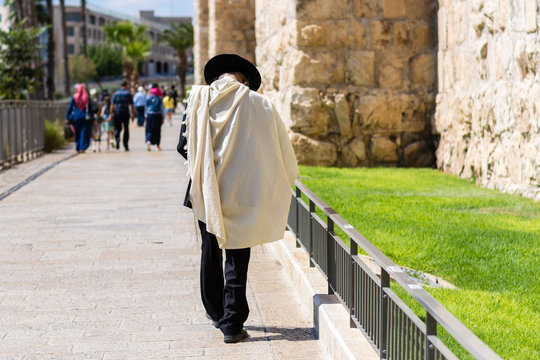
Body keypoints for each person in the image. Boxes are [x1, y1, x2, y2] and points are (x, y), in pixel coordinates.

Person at [177, 54, 298, 344]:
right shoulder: (260, 105)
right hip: (241, 189)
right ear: (243, 79)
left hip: (206, 190)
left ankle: (216, 313)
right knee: (237, 253)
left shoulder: (197, 99)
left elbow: (183, 146)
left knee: (209, 249)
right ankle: (232, 324)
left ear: (220, 76)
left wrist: (208, 165)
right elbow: (278, 151)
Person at [65, 84, 94, 153]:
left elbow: (70, 107)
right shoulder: (87, 97)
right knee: (84, 132)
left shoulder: (74, 97)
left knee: (77, 132)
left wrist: (67, 117)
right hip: (84, 117)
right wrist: (92, 117)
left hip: (76, 117)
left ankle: (78, 146)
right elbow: (90, 108)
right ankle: (83, 147)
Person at [111, 80, 136, 151]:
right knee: (126, 129)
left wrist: (111, 113)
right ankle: (126, 145)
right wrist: (133, 114)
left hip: (117, 112)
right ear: (126, 85)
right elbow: (132, 105)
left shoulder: (116, 93)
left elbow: (112, 105)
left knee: (117, 128)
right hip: (125, 112)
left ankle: (117, 138)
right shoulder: (128, 93)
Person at [145, 83, 164, 151]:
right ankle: (157, 146)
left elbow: (146, 107)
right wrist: (163, 117)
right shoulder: (159, 98)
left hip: (149, 115)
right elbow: (162, 108)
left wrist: (145, 115)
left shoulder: (148, 97)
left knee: (149, 129)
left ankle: (148, 141)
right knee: (157, 130)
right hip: (157, 115)